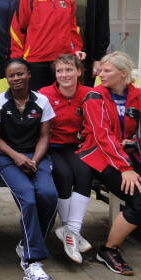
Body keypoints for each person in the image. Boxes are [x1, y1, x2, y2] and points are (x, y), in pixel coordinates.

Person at [78, 51, 141, 275]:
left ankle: (112, 243)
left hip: (128, 156)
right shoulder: (95, 96)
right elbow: (102, 136)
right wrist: (125, 168)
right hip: (99, 157)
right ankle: (109, 250)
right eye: (100, 70)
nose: (100, 74)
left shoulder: (138, 95)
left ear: (123, 73)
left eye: (107, 71)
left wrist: (132, 141)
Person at [0, 59, 57, 280]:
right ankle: (32, 261)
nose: (16, 78)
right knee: (28, 199)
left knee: (49, 196)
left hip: (36, 157)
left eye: (20, 74)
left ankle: (28, 243)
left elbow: (44, 136)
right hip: (8, 158)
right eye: (11, 75)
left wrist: (34, 160)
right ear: (7, 78)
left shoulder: (42, 101)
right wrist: (16, 157)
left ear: (29, 74)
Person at [39, 55, 94, 263]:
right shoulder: (45, 94)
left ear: (79, 71)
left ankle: (71, 231)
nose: (64, 75)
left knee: (84, 173)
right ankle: (71, 233)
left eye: (69, 70)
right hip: (52, 147)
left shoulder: (89, 94)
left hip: (76, 146)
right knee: (63, 175)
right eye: (60, 71)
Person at [10, 0, 85, 91]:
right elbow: (17, 29)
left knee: (63, 99)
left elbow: (73, 27)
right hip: (36, 60)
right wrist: (17, 59)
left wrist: (76, 48)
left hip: (62, 60)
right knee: (38, 101)